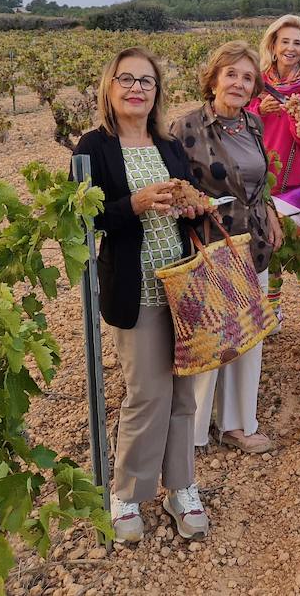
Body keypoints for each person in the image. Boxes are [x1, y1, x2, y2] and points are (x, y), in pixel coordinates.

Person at [72, 48, 209, 544]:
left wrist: (193, 204)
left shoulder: (168, 145)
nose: (136, 89)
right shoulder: (93, 147)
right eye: (126, 80)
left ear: (157, 92)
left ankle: (181, 487)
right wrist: (134, 202)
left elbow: (187, 194)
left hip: (182, 285)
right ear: (110, 87)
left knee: (183, 395)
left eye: (146, 82)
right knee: (147, 393)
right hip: (137, 287)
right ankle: (127, 493)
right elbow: (84, 217)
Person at [173, 41, 282, 455]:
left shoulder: (253, 124)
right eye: (231, 74)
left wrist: (270, 210)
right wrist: (190, 202)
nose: (239, 83)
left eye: (247, 77)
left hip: (251, 244)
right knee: (210, 339)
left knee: (249, 335)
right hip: (212, 249)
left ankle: (237, 425)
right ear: (214, 78)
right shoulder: (186, 128)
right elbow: (174, 186)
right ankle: (194, 434)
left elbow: (257, 180)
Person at [247, 15, 300, 329]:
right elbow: (240, 123)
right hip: (261, 179)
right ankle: (273, 316)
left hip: (296, 181)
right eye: (286, 42)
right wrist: (258, 112)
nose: (291, 48)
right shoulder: (257, 81)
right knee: (269, 250)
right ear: (274, 46)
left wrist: (298, 118)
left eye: (297, 43)